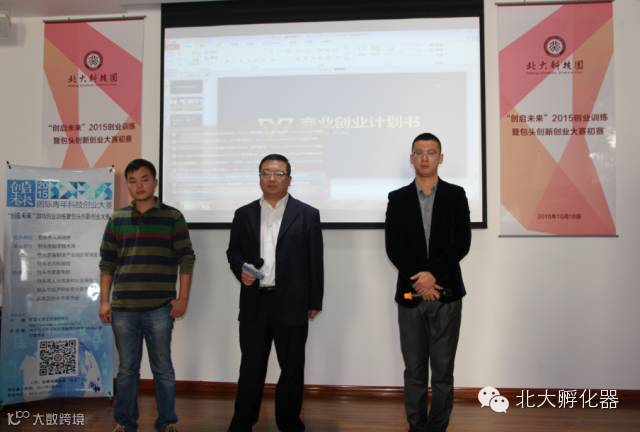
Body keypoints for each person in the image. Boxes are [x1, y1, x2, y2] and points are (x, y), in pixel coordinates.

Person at [226, 154, 323, 432]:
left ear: (289, 179)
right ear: (259, 177)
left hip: (292, 302)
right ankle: (242, 422)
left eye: (278, 173)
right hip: (255, 303)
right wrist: (241, 269)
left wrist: (315, 300)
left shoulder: (307, 214)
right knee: (251, 367)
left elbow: (315, 260)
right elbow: (233, 253)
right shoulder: (243, 214)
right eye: (266, 172)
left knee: (292, 368)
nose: (271, 178)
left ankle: (289, 422)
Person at [98, 158, 195, 432]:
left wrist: (183, 298)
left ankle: (166, 422)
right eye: (132, 181)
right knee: (127, 370)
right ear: (128, 185)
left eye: (144, 179)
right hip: (123, 308)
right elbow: (107, 262)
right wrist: (104, 301)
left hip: (160, 308)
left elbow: (187, 258)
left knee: (162, 368)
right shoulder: (117, 219)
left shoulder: (172, 217)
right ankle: (125, 423)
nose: (139, 185)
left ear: (155, 182)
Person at [385, 133, 471, 432]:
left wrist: (432, 276)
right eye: (419, 152)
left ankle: (438, 427)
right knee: (415, 370)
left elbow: (461, 243)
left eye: (431, 152)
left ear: (440, 158)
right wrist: (421, 281)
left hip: (447, 294)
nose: (425, 158)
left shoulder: (456, 195)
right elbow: (394, 247)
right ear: (412, 158)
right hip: (410, 295)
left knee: (443, 371)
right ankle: (416, 426)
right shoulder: (397, 199)